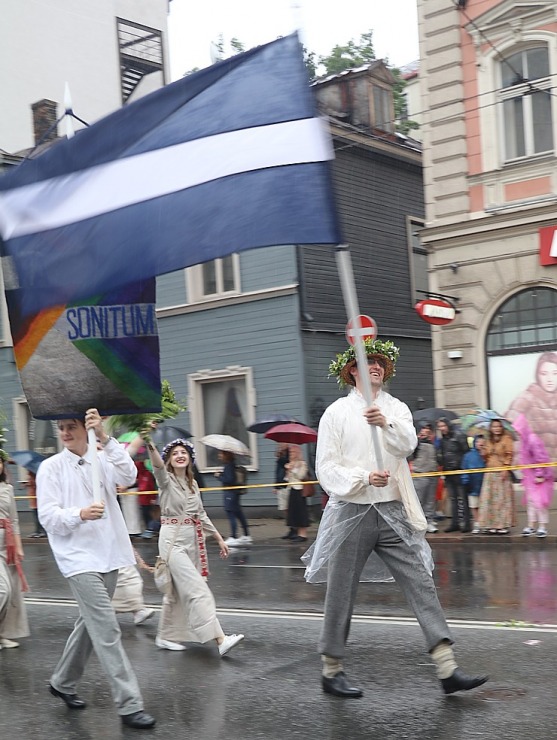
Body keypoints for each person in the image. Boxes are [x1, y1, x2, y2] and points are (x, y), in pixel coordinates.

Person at [303, 338, 487, 699]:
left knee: (421, 579)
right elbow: (325, 467)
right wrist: (361, 479)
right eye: (367, 362)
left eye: (381, 364)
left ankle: (446, 666)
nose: (376, 367)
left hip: (391, 509)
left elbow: (407, 446)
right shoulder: (336, 413)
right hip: (351, 511)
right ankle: (331, 669)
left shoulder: (397, 407)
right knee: (340, 591)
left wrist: (384, 422)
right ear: (352, 370)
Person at [36, 409, 155, 730]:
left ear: (84, 429)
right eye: (61, 428)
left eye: (70, 427)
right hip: (77, 558)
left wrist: (104, 437)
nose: (64, 433)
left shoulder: (102, 459)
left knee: (89, 625)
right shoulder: (51, 468)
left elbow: (129, 476)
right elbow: (48, 517)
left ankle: (62, 681)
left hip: (110, 553)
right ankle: (130, 704)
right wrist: (80, 513)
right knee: (106, 629)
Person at [142, 436, 244, 656]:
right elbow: (157, 467)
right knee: (198, 590)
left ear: (189, 459)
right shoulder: (166, 480)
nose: (180, 456)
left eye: (184, 453)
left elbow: (201, 514)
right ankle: (220, 639)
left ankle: (165, 635)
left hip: (192, 540)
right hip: (172, 541)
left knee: (176, 593)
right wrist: (149, 442)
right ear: (169, 459)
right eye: (175, 453)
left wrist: (217, 537)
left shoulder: (193, 484)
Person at [0, 454, 30, 649]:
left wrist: (18, 546)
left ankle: (2, 634)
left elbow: (15, 520)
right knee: (3, 591)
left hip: (7, 544)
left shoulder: (7, 489)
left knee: (11, 594)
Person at [512, 413, 553, 538]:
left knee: (539, 502)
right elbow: (526, 458)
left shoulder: (532, 439)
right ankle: (531, 525)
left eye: (518, 429)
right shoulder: (524, 441)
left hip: (538, 477)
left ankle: (542, 526)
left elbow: (540, 458)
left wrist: (540, 474)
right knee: (531, 502)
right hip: (530, 477)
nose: (517, 432)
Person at [477, 419, 515, 535]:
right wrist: (482, 449)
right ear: (491, 428)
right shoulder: (488, 441)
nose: (497, 429)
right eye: (494, 427)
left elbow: (509, 455)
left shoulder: (506, 439)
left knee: (502, 500)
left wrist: (506, 468)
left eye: (498, 426)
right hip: (490, 472)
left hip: (501, 472)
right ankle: (491, 524)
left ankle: (502, 524)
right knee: (490, 500)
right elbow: (485, 458)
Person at [436, 418, 471, 533]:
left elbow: (466, 451)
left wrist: (463, 467)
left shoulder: (459, 436)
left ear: (448, 425)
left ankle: (466, 524)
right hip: (448, 471)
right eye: (440, 426)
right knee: (453, 499)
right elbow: (442, 453)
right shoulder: (442, 440)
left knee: (463, 498)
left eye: (443, 426)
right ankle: (454, 523)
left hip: (459, 471)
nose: (441, 428)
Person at [216, 450, 251, 547]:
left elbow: (229, 479)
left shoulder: (228, 466)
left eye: (221, 454)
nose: (219, 455)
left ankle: (233, 537)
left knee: (231, 513)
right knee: (239, 513)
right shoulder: (231, 464)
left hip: (230, 494)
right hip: (235, 493)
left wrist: (219, 476)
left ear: (226, 455)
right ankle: (246, 535)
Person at [112, 549, 155, 626]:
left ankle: (138, 610)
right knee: (122, 580)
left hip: (117, 555)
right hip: (104, 556)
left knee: (132, 580)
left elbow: (124, 540)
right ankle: (138, 610)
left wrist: (139, 560)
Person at [411, 423, 439, 533]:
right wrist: (416, 440)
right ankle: (417, 523)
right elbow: (409, 454)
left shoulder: (433, 443)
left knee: (430, 500)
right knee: (419, 500)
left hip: (432, 474)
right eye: (423, 429)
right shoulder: (416, 442)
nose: (425, 431)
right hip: (420, 474)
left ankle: (429, 521)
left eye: (427, 429)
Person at [284, 444, 310, 542]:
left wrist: (293, 470)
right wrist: (288, 471)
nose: (291, 454)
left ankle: (303, 534)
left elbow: (301, 475)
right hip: (292, 489)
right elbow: (287, 479)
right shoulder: (291, 463)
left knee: (301, 512)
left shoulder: (302, 463)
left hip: (300, 490)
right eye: (290, 452)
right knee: (294, 512)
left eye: (293, 452)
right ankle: (297, 532)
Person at [460, 436, 486, 534]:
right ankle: (477, 523)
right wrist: (465, 481)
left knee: (483, 505)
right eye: (478, 441)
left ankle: (484, 523)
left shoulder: (487, 455)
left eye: (482, 441)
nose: (480, 443)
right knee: (474, 505)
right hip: (472, 484)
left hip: (484, 484)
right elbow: (464, 469)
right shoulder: (468, 456)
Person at [25, 470, 47, 538]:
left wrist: (29, 483)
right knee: (35, 515)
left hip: (36, 499)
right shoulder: (32, 474)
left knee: (37, 515)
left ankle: (41, 531)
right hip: (33, 499)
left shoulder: (35, 474)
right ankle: (37, 530)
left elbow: (35, 484)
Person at [273, 443, 290, 528]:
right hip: (280, 484)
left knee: (289, 507)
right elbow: (277, 472)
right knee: (284, 508)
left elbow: (285, 464)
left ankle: (294, 528)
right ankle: (290, 528)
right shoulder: (280, 456)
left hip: (287, 484)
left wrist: (280, 456)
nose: (281, 445)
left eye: (283, 443)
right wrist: (275, 485)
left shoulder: (289, 454)